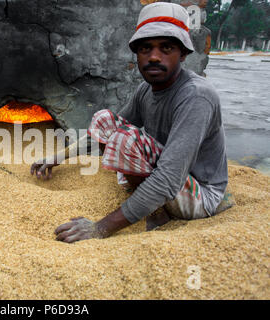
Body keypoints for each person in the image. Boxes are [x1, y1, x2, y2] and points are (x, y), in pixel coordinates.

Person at [30, 2, 234, 243]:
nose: (154, 57)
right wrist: (58, 157)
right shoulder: (146, 90)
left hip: (199, 193)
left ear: (184, 53)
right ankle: (147, 201)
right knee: (106, 120)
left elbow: (168, 179)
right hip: (169, 174)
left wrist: (100, 228)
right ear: (136, 54)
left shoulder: (196, 96)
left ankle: (158, 214)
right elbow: (106, 130)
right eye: (146, 48)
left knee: (126, 139)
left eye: (166, 48)